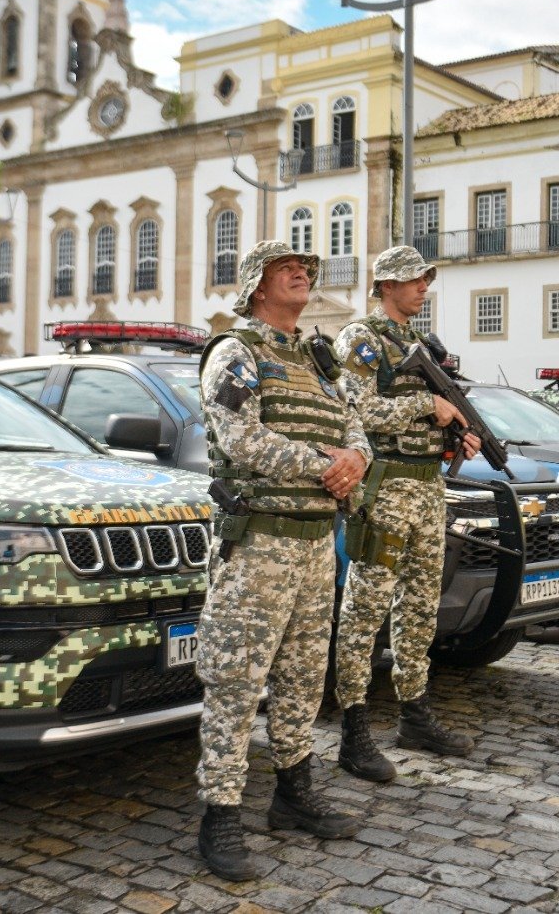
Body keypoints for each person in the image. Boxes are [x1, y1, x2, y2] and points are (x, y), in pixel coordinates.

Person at [194, 241, 373, 881]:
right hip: (259, 544)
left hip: (317, 541)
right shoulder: (236, 353)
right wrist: (327, 465)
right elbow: (241, 439)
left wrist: (358, 459)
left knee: (303, 674)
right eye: (284, 269)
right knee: (237, 680)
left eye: (305, 269)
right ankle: (219, 814)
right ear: (255, 287)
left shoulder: (319, 359)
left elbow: (354, 423)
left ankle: (294, 793)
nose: (301, 273)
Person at [331, 246, 481, 784]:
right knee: (365, 609)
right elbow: (356, 409)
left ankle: (414, 714)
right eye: (414, 280)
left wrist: (457, 433)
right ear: (386, 286)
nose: (423, 288)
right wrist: (426, 406)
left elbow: (428, 417)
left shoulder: (418, 345)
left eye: (425, 280)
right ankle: (353, 729)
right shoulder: (361, 338)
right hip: (385, 487)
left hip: (426, 486)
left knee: (419, 608)